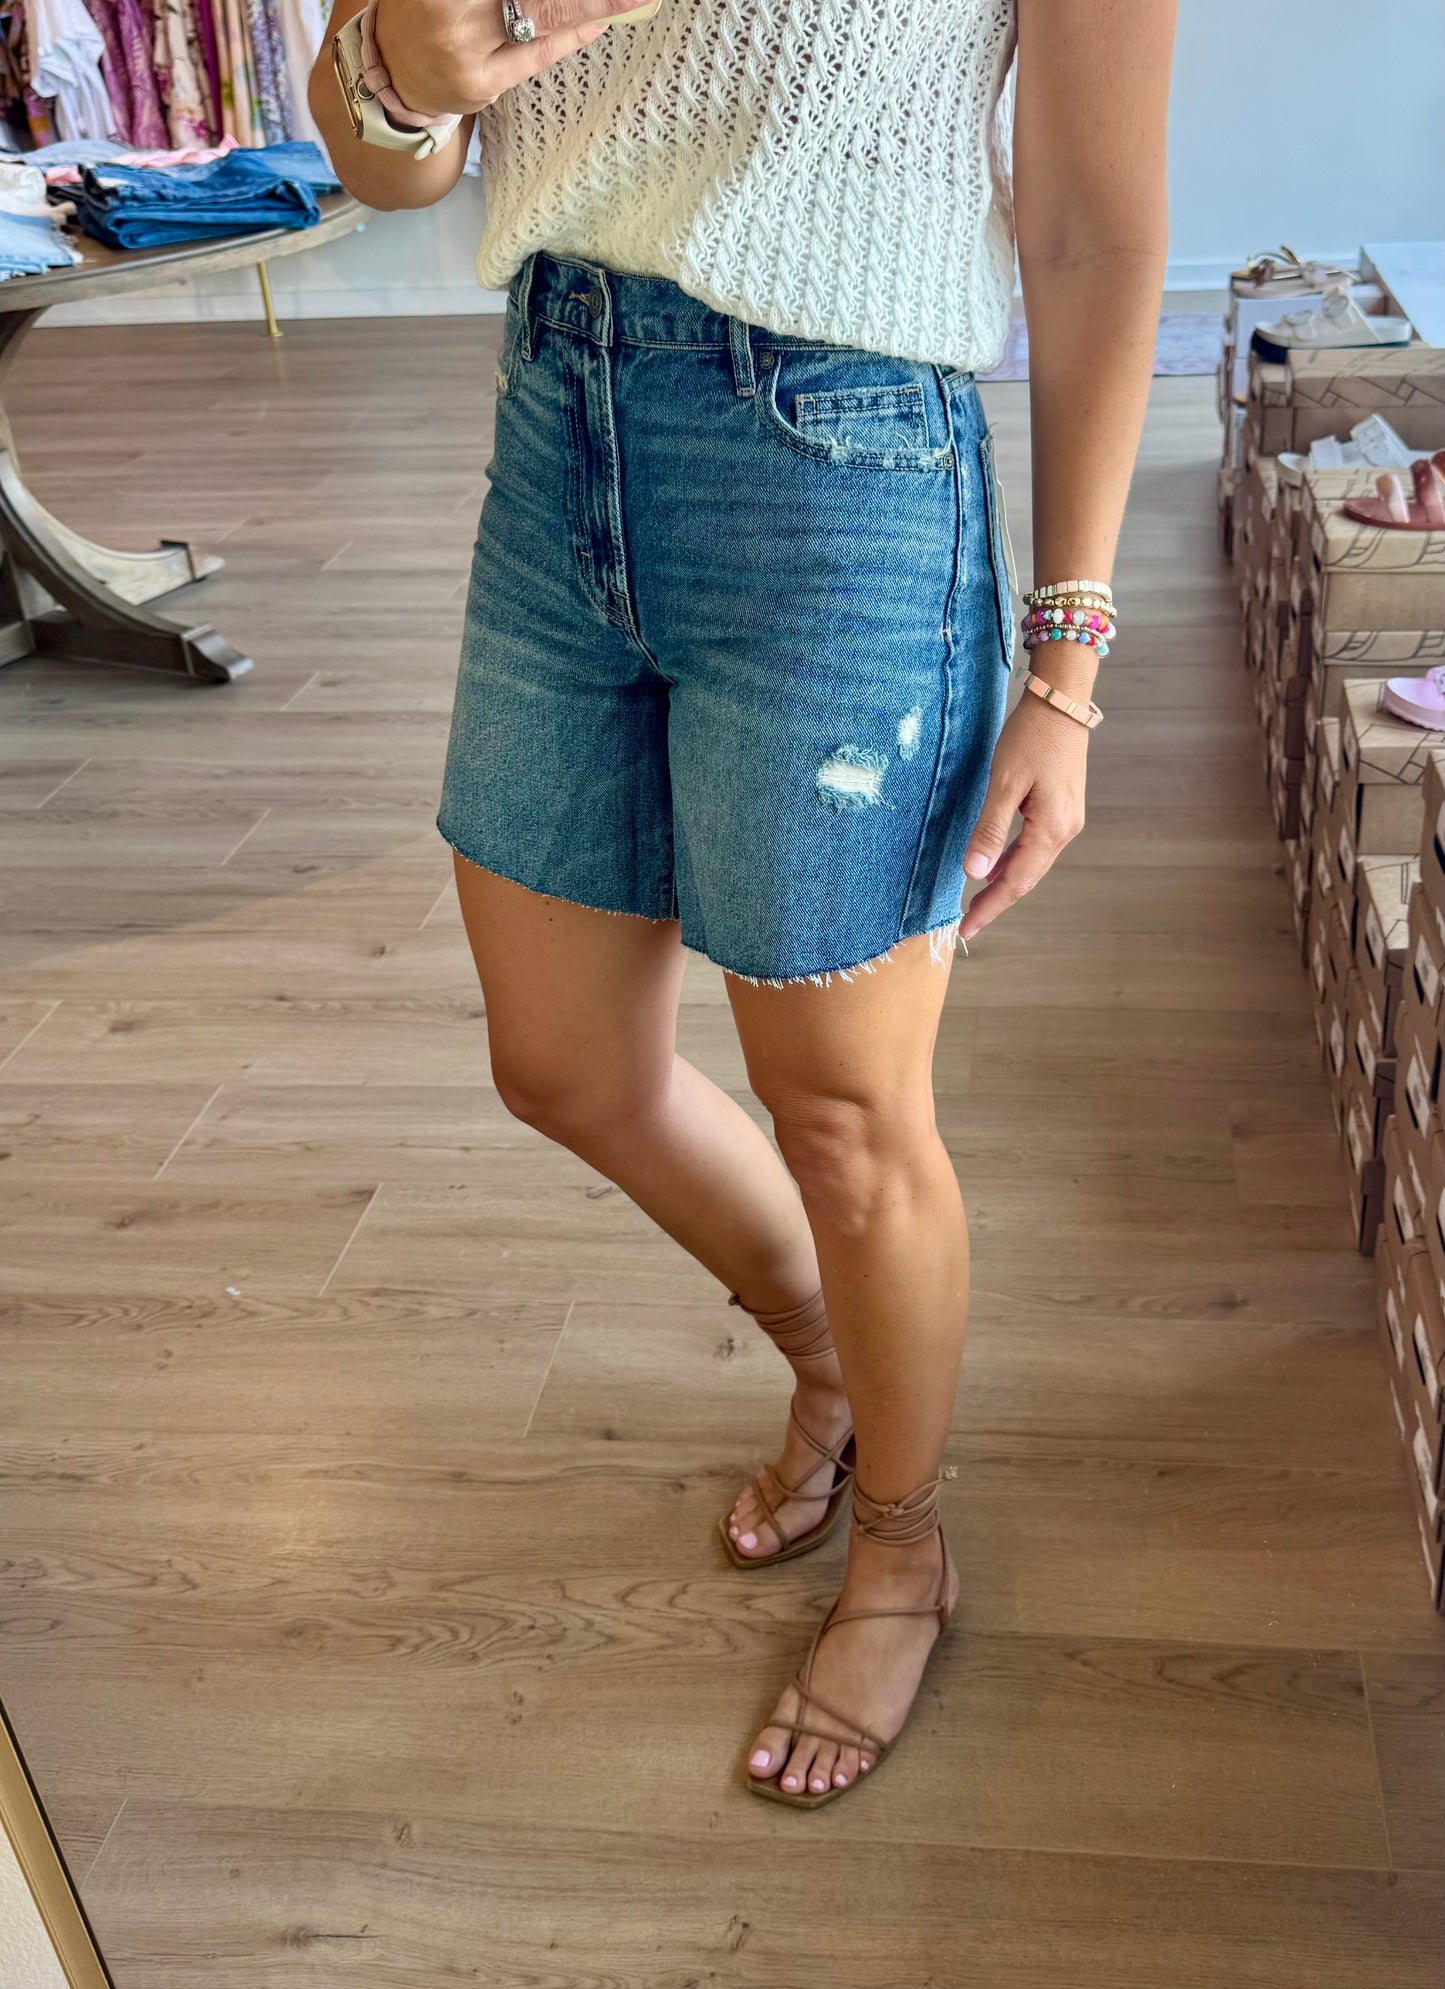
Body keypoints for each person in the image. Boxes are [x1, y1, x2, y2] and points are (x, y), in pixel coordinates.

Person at [312, 0, 1175, 1808]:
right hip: (557, 421)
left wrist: (1068, 658)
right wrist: (402, 71)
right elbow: (382, 153)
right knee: (561, 1063)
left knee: (846, 1115)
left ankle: (905, 1546)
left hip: (845, 476)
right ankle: (825, 1350)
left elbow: (1089, 224)